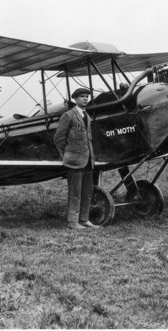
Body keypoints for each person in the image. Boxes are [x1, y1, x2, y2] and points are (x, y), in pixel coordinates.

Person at [53, 87, 98, 230]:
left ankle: (84, 219)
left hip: (88, 159)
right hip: (74, 161)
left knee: (87, 191)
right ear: (75, 99)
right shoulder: (69, 115)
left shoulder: (87, 116)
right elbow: (58, 138)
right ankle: (72, 222)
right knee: (75, 192)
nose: (85, 98)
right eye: (82, 96)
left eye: (87, 96)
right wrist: (67, 154)